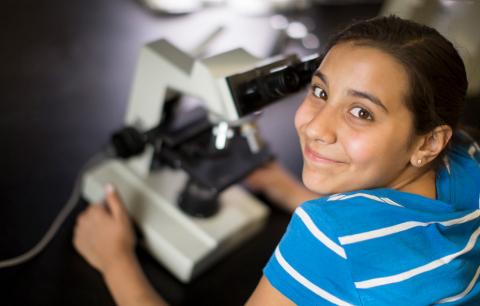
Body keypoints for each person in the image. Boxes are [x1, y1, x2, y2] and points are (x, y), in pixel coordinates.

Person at [73, 15, 480, 305]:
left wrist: (116, 259)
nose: (316, 127)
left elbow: (350, 247)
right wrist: (286, 189)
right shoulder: (465, 158)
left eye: (361, 112)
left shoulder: (328, 236)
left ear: (428, 143)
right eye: (320, 92)